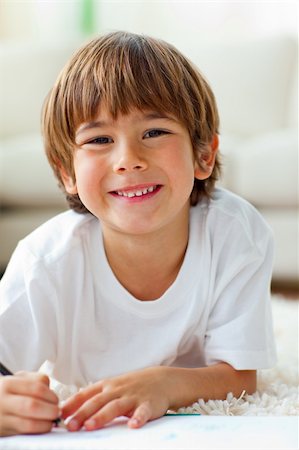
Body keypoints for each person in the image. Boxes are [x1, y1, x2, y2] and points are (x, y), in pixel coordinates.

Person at [0, 31, 276, 437]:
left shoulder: (236, 233)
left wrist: (162, 383)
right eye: (99, 140)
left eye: (154, 133)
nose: (128, 160)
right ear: (67, 173)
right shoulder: (46, 259)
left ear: (203, 154)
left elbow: (239, 377)